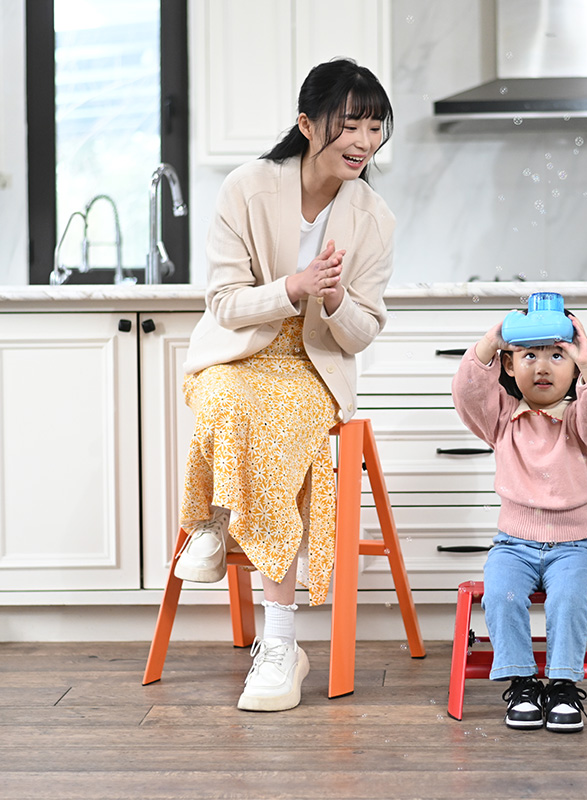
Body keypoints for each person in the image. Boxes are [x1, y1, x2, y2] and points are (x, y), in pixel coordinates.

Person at [174, 59, 394, 713]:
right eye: (348, 124)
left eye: (375, 126)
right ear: (307, 123)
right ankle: (212, 522)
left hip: (312, 365)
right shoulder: (246, 188)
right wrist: (293, 287)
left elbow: (362, 332)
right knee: (224, 396)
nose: (363, 141)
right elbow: (223, 304)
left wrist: (331, 301)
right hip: (236, 352)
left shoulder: (374, 218)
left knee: (276, 421)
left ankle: (277, 637)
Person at [451, 310, 587, 732]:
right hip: (513, 544)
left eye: (557, 355)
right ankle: (523, 683)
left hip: (574, 547)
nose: (543, 367)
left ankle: (563, 685)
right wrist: (491, 342)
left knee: (568, 598)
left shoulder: (581, 420)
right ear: (509, 365)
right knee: (501, 595)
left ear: (573, 369)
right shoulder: (501, 418)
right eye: (529, 355)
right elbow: (468, 393)